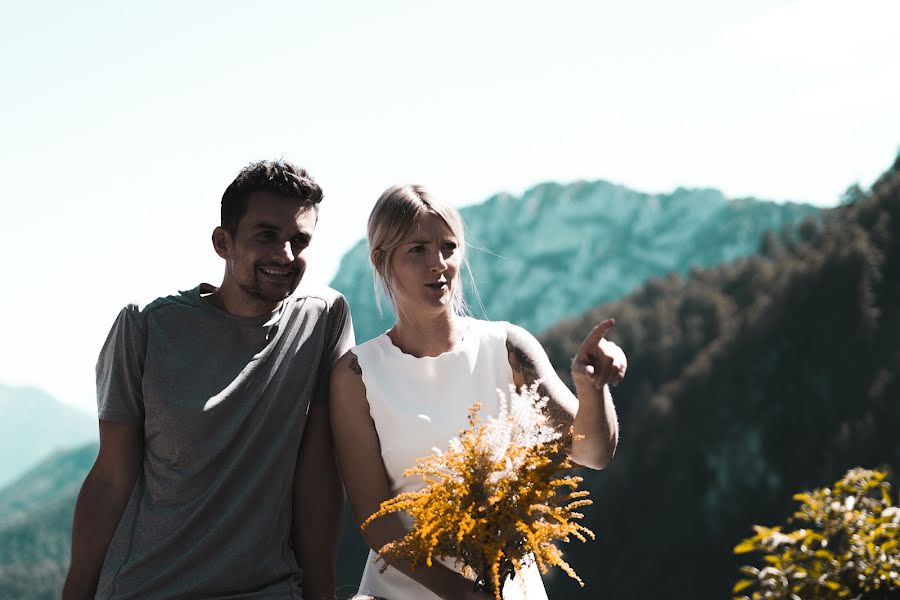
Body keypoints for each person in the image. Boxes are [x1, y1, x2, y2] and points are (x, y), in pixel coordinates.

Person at [63, 160, 354, 600]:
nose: (285, 255)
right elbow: (110, 477)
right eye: (266, 236)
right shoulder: (144, 327)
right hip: (147, 587)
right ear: (223, 242)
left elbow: (317, 472)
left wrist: (321, 592)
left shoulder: (321, 321)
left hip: (268, 590)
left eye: (300, 241)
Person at [330, 184, 626, 600]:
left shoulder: (508, 348)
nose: (439, 264)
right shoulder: (357, 374)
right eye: (417, 249)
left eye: (448, 247)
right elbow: (375, 518)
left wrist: (592, 389)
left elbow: (592, 452)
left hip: (510, 587)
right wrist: (464, 595)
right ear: (382, 260)